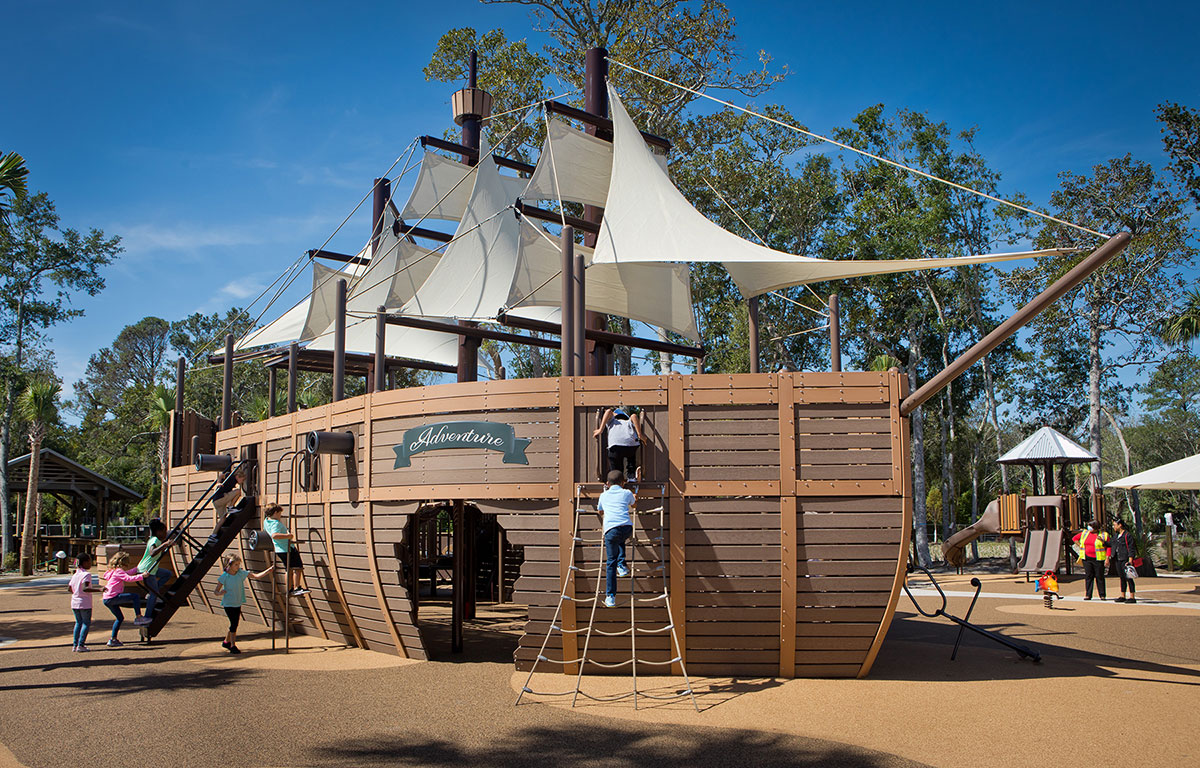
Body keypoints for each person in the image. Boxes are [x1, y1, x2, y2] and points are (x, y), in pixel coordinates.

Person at [213, 554, 274, 654]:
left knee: (234, 623)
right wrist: (220, 593)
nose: (237, 567)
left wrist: (268, 570)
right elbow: (216, 591)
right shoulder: (224, 576)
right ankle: (233, 645)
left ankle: (226, 641)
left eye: (238, 564)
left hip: (237, 602)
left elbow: (255, 576)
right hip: (228, 604)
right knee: (234, 623)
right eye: (236, 564)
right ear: (229, 565)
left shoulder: (240, 573)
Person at [596, 469, 636, 608]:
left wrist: (604, 512)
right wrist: (635, 496)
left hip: (611, 530)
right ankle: (622, 565)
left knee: (610, 562)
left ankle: (610, 596)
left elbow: (600, 510)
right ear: (623, 483)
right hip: (626, 528)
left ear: (607, 483)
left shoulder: (603, 495)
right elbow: (634, 504)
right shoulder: (627, 493)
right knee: (620, 539)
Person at [102, 551, 151, 646]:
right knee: (135, 596)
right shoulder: (119, 571)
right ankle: (139, 617)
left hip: (107, 599)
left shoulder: (112, 571)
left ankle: (113, 639)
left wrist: (136, 569)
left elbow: (126, 574)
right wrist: (142, 576)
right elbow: (128, 578)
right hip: (113, 597)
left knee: (120, 618)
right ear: (124, 562)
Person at [263, 504, 309, 596]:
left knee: (288, 569)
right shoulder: (276, 523)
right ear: (275, 512)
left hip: (279, 549)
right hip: (287, 548)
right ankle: (297, 588)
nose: (280, 515)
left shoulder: (267, 521)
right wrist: (289, 536)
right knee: (297, 567)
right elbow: (274, 535)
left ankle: (289, 589)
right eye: (279, 513)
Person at [135, 518, 176, 622]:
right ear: (158, 531)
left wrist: (168, 545)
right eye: (164, 531)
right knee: (154, 594)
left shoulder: (153, 539)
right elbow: (152, 552)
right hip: (148, 570)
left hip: (149, 568)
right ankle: (147, 616)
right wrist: (165, 544)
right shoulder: (155, 540)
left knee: (167, 574)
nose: (165, 533)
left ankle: (153, 591)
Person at [593, 407, 643, 482]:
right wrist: (640, 435)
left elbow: (609, 411)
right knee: (631, 460)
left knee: (616, 466)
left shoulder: (612, 421)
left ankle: (617, 481)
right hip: (630, 445)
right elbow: (633, 416)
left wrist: (601, 429)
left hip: (615, 445)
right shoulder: (628, 421)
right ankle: (631, 477)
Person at [67, 552, 99, 652]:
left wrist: (77, 592)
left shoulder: (75, 574)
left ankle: (75, 645)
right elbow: (86, 588)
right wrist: (99, 590)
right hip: (84, 602)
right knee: (85, 623)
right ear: (84, 563)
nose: (90, 564)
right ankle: (81, 644)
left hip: (74, 602)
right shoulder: (86, 575)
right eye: (89, 561)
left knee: (78, 623)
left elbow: (69, 588)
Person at [1072, 520, 1110, 601]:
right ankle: (1088, 594)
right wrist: (1080, 546)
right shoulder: (1085, 533)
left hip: (1098, 559)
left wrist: (1107, 557)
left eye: (1091, 526)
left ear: (1095, 527)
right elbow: (1074, 538)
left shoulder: (1104, 535)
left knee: (1099, 577)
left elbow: (1109, 546)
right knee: (1089, 576)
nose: (1089, 527)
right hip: (1087, 558)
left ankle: (1102, 595)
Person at [1111, 518, 1138, 604]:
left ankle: (1132, 596)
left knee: (1128, 577)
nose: (1113, 527)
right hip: (1117, 558)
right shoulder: (1116, 535)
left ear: (1120, 525)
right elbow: (1111, 544)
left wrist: (1130, 559)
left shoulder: (1127, 535)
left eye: (1115, 525)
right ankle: (1123, 595)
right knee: (1122, 577)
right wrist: (1103, 542)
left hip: (1125, 558)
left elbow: (1131, 548)